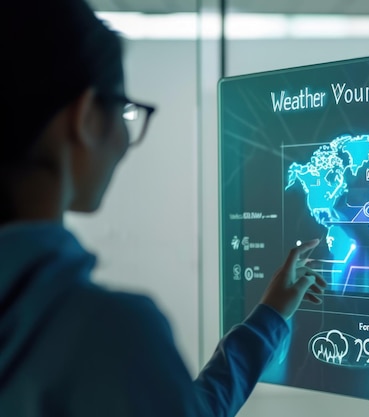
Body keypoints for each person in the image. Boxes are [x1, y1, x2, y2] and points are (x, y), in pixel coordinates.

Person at [0, 0, 326, 416]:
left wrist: (270, 316)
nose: (124, 138)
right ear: (84, 118)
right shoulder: (111, 336)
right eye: (125, 110)